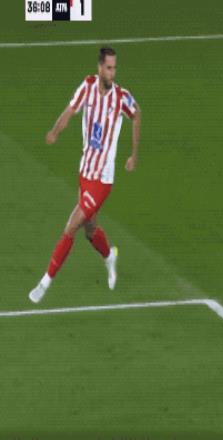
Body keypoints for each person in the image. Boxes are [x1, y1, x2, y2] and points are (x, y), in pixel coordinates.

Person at [28, 47, 141, 303]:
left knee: (71, 227)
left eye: (115, 68)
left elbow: (137, 115)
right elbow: (70, 110)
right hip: (85, 171)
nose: (112, 72)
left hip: (103, 179)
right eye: (109, 68)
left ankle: (45, 283)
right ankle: (109, 256)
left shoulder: (121, 97)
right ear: (100, 67)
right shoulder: (87, 86)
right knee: (90, 230)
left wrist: (134, 155)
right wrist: (55, 132)